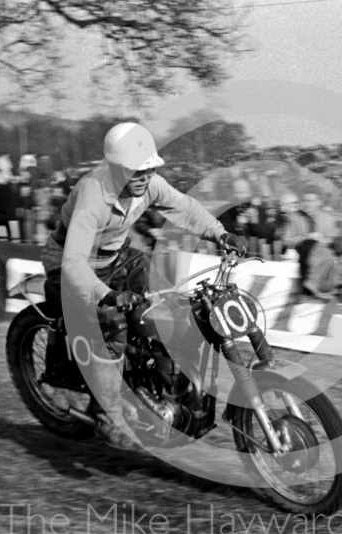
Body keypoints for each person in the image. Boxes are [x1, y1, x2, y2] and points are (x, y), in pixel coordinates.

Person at [41, 122, 248, 451]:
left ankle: (160, 386)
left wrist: (220, 234)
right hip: (68, 263)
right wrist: (106, 295)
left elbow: (185, 207)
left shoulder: (149, 185)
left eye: (149, 169)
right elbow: (74, 262)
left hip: (117, 257)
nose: (144, 177)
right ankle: (108, 414)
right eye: (136, 171)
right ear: (113, 167)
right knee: (112, 323)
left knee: (162, 307)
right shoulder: (93, 194)